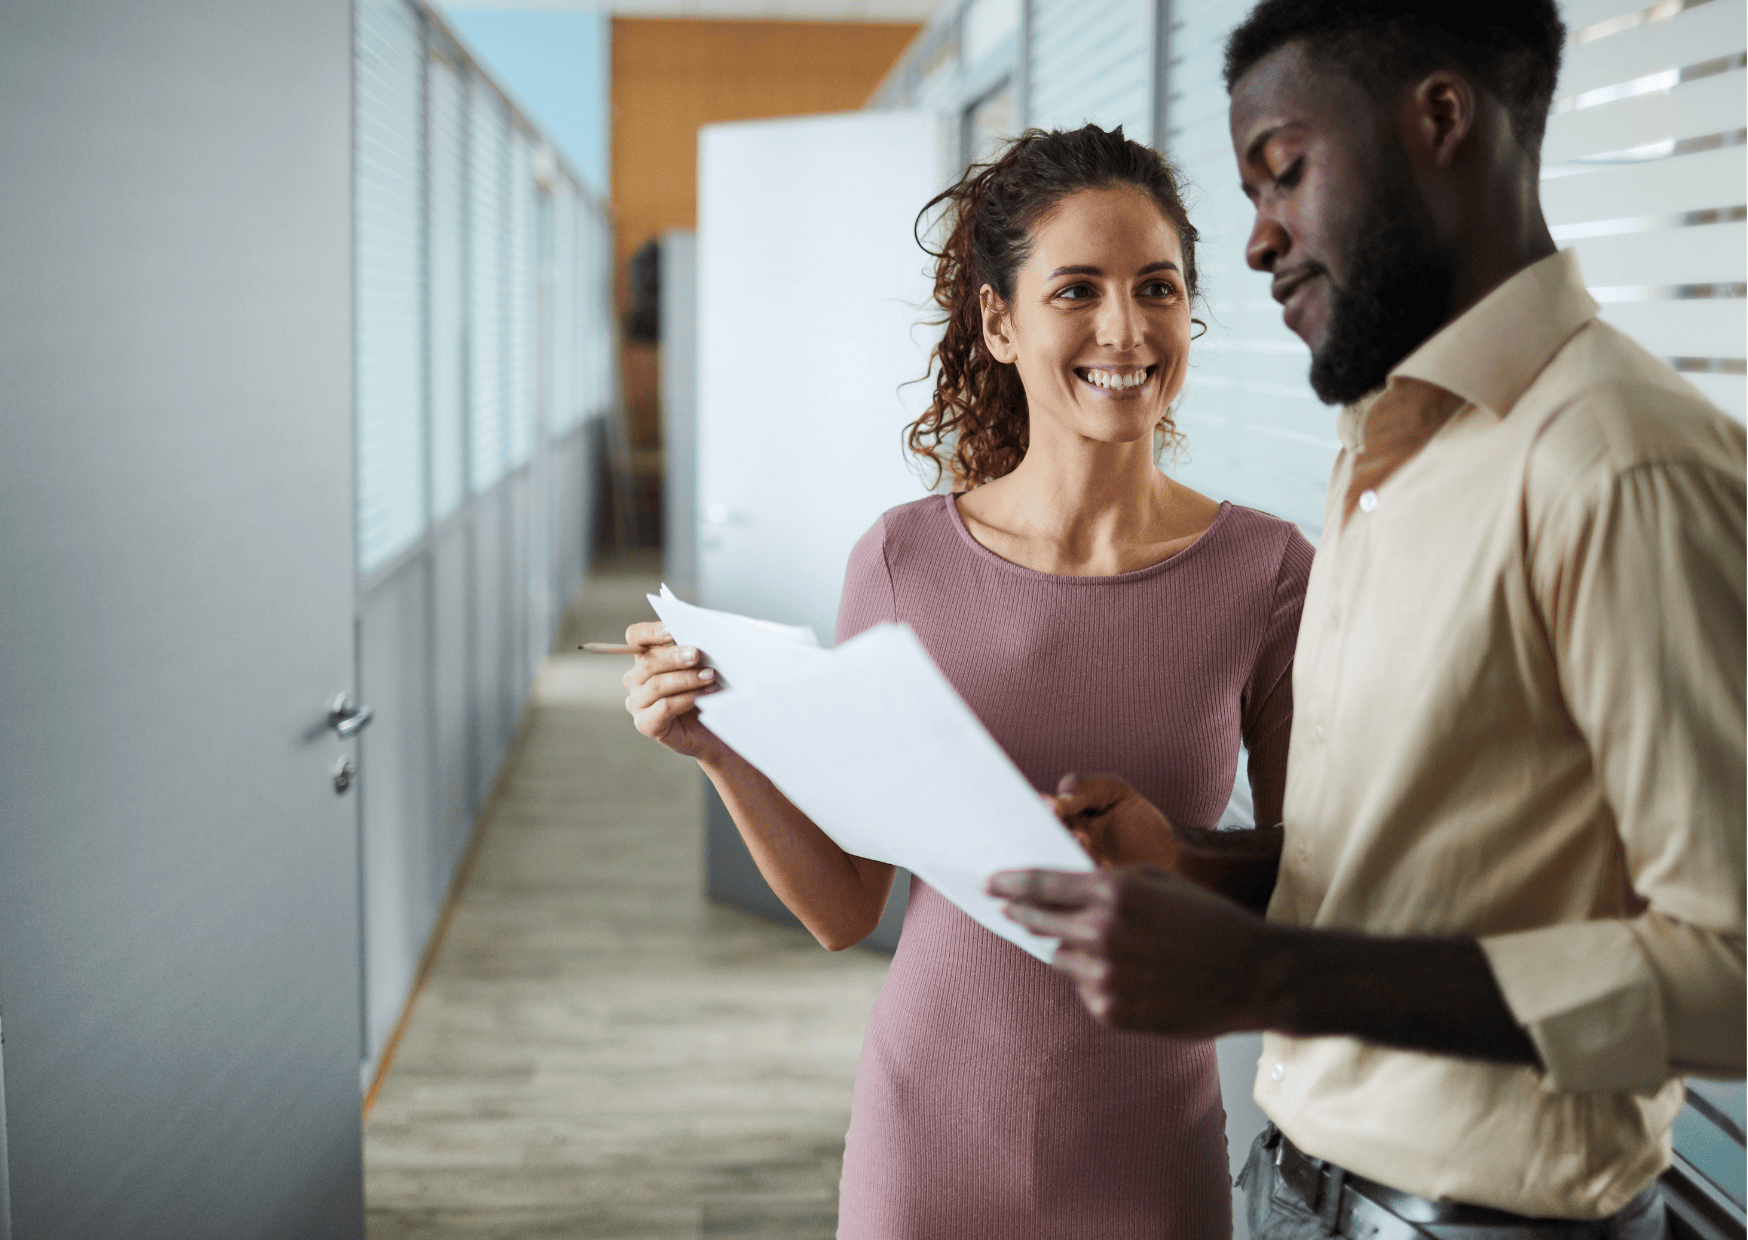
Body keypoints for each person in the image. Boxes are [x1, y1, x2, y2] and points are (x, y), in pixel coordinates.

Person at [989, 2, 1746, 1236]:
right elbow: (1422, 869)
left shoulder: (1619, 470)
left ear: (1439, 119)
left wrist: (1271, 973)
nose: (1253, 242)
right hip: (1302, 1192)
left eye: (1282, 170)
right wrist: (1198, 865)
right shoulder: (1385, 456)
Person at [619, 124, 1314, 1237]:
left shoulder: (1269, 572)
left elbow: (1316, 889)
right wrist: (721, 749)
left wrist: (1174, 860)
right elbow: (847, 908)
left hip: (1150, 1135)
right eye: (1076, 289)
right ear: (999, 321)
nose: (1124, 330)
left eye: (1157, 288)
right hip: (926, 1130)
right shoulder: (900, 560)